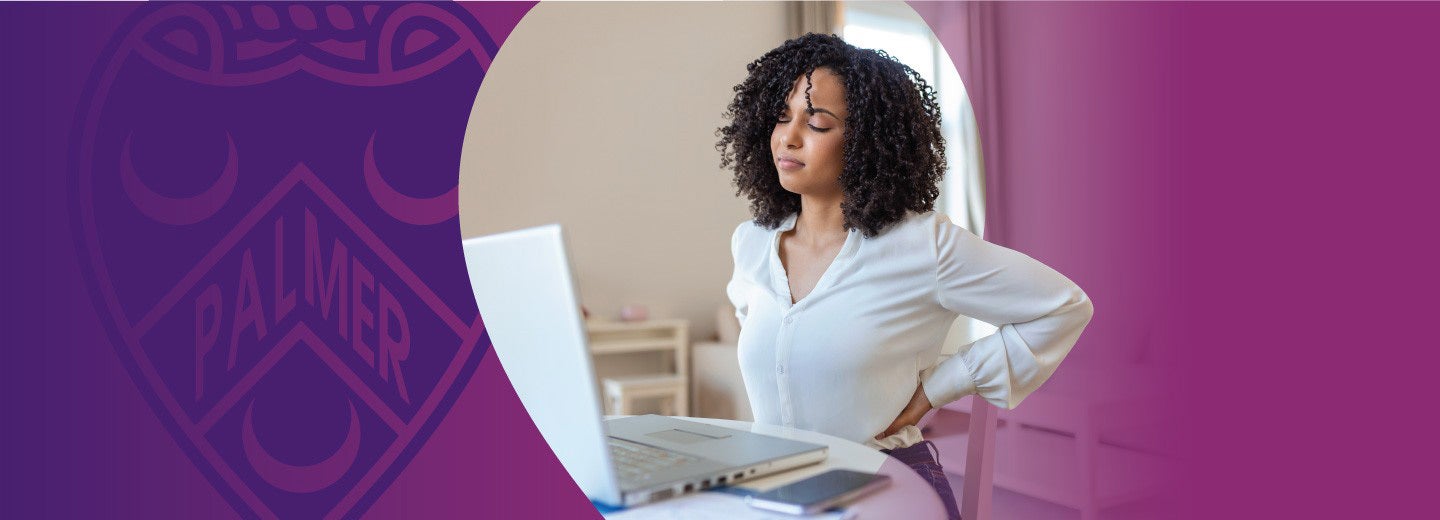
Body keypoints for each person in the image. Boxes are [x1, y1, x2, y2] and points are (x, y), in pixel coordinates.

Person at [717, 33, 1094, 520]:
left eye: (816, 123)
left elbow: (1063, 306)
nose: (788, 137)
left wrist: (938, 387)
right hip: (778, 493)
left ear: (864, 142)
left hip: (886, 488)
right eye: (781, 117)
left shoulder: (922, 245)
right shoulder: (751, 243)